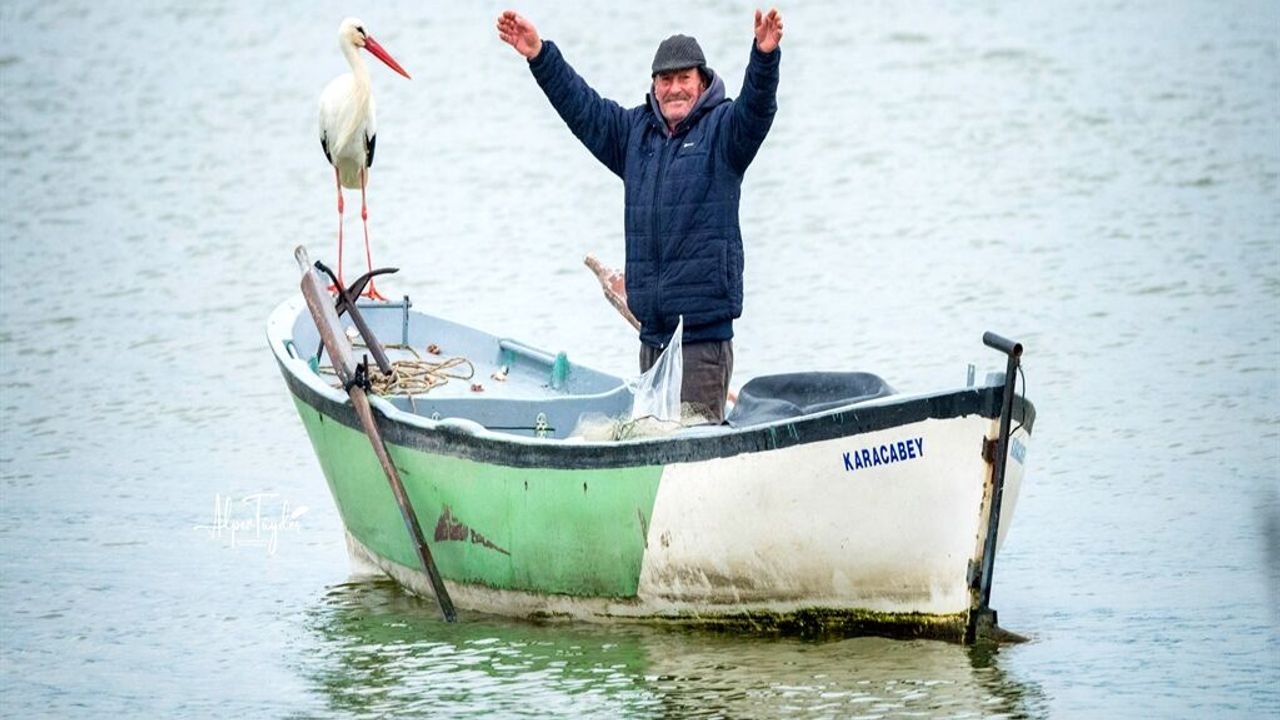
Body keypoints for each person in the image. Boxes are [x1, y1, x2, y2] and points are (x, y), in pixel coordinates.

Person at [497, 8, 784, 423]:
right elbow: (583, 109)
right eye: (665, 80)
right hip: (652, 339)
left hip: (702, 343)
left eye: (684, 78)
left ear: (702, 83)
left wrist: (764, 57)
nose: (674, 88)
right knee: (657, 444)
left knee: (697, 449)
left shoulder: (724, 132)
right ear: (654, 86)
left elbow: (757, 109)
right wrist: (540, 55)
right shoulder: (635, 135)